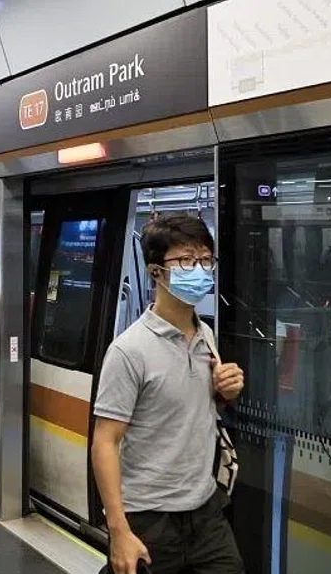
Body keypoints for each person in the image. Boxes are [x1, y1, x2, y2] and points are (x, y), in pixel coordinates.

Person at [92, 214, 245, 574]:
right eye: (187, 260)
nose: (200, 270)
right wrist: (119, 531)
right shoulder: (129, 351)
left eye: (206, 259)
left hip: (206, 511)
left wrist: (225, 392)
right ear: (156, 272)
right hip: (149, 517)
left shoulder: (206, 336)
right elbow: (105, 442)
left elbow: (193, 411)